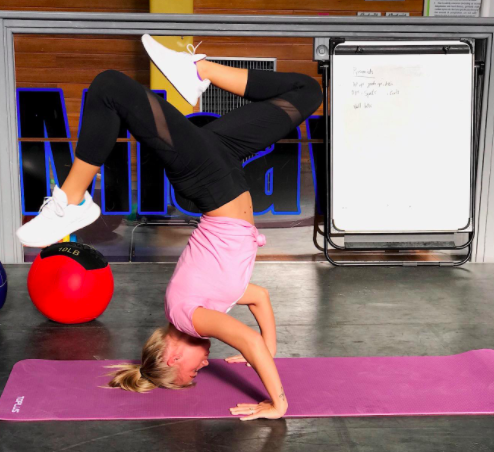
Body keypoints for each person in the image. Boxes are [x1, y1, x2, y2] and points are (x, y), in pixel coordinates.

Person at [17, 35, 323, 420]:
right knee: (306, 91)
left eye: (192, 370)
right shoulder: (208, 302)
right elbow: (259, 297)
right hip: (223, 167)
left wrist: (278, 402)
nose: (204, 366)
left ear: (171, 354)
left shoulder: (187, 317)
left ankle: (73, 199)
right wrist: (271, 346)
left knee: (110, 86)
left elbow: (246, 340)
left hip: (210, 181)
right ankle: (201, 72)